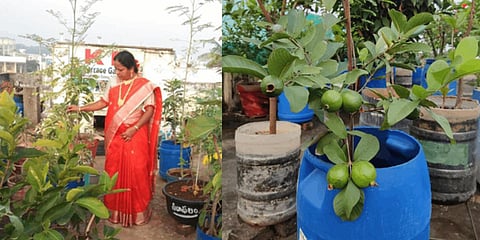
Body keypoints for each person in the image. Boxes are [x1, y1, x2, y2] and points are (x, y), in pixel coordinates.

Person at [67, 50, 162, 227]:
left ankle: (137, 213)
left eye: (120, 69)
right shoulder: (112, 82)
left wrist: (134, 129)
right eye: (115, 69)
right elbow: (103, 103)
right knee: (113, 171)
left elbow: (149, 110)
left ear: (131, 68)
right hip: (116, 136)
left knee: (137, 171)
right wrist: (80, 108)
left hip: (135, 134)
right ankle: (115, 212)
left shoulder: (144, 86)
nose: (117, 73)